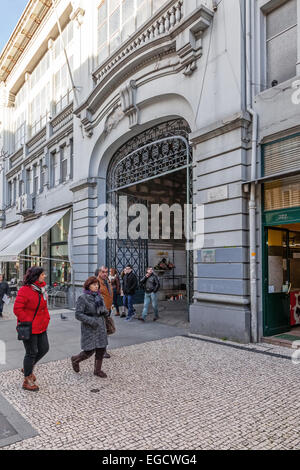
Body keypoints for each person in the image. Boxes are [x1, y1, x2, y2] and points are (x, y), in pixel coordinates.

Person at [14, 267, 50, 392]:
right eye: (42, 274)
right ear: (35, 276)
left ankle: (28, 367)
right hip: (29, 327)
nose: (44, 276)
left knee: (44, 348)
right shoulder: (25, 290)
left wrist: (47, 318)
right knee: (31, 352)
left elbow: (44, 307)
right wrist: (28, 321)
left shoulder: (41, 289)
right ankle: (27, 379)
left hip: (41, 326)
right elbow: (17, 309)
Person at [71, 276, 109, 378]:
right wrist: (92, 321)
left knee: (101, 348)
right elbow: (78, 314)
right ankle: (75, 360)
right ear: (88, 286)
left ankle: (97, 370)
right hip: (89, 328)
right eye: (94, 285)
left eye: (97, 285)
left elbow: (103, 309)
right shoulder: (82, 298)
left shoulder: (99, 296)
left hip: (100, 326)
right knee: (89, 351)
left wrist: (106, 312)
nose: (96, 286)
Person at [96, 266, 113, 358]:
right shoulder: (96, 282)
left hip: (108, 309)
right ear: (99, 272)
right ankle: (102, 351)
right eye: (103, 272)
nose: (105, 273)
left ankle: (99, 349)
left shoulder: (107, 281)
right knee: (103, 331)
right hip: (101, 310)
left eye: (106, 272)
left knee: (105, 330)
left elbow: (109, 294)